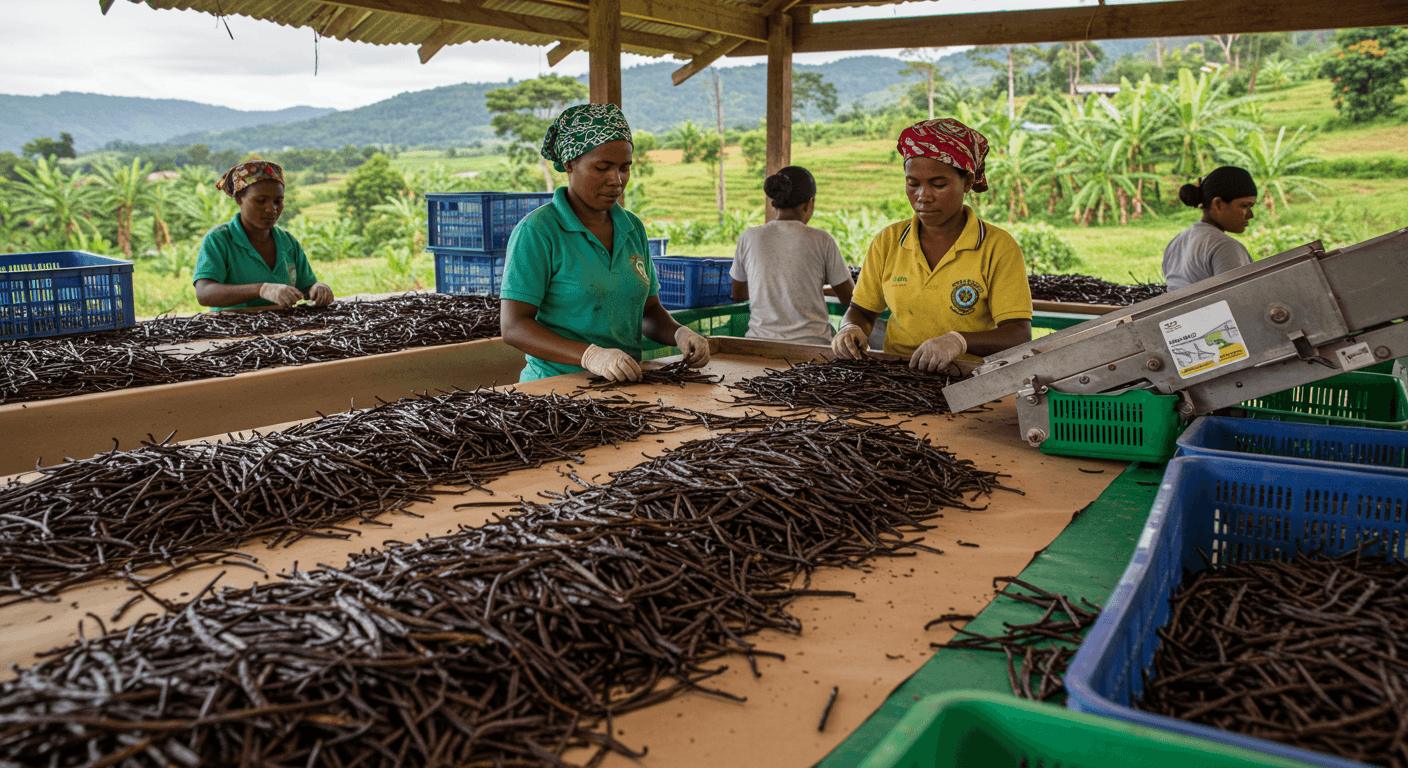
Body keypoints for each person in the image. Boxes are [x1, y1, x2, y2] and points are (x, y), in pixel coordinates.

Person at [499, 103, 711, 383]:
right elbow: (514, 327)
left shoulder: (632, 227)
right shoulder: (538, 231)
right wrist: (591, 355)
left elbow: (648, 311)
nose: (617, 180)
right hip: (554, 390)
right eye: (602, 167)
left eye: (625, 167)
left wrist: (679, 333)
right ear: (569, 164)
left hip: (625, 386)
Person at [832, 118, 1032, 372]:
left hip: (969, 378)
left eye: (938, 184)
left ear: (968, 182)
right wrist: (850, 328)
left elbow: (1018, 334)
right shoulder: (888, 241)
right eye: (912, 184)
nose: (923, 197)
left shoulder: (997, 247)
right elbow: (862, 310)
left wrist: (958, 342)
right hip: (898, 377)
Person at [730, 166, 855, 347]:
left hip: (758, 346)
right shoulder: (821, 239)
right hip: (812, 348)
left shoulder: (748, 237)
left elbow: (739, 294)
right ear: (808, 203)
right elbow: (849, 297)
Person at [192, 160, 333, 310]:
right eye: (260, 201)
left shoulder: (287, 241)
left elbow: (305, 286)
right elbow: (204, 293)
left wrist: (316, 289)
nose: (271, 209)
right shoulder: (219, 239)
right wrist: (262, 289)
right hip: (230, 328)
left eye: (278, 201)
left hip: (282, 327)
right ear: (239, 199)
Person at [1162, 166, 1259, 290]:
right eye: (1245, 206)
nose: (1250, 215)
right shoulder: (1226, 247)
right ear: (1218, 204)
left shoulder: (1177, 242)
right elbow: (1237, 299)